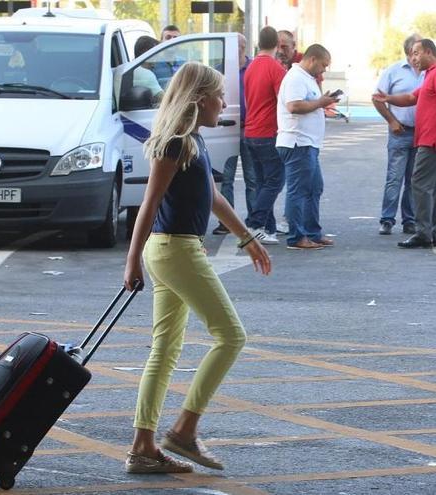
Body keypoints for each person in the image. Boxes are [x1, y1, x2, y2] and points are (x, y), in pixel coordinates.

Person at [122, 62, 271, 474]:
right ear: (199, 99)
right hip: (173, 249)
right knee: (231, 336)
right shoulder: (174, 143)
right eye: (220, 95)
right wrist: (131, 261)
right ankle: (184, 430)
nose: (224, 102)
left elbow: (212, 199)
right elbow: (148, 205)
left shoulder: (194, 141)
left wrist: (247, 238)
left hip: (176, 249)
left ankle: (143, 447)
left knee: (164, 350)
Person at [373, 38, 436, 249]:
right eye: (412, 54)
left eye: (416, 53)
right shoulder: (433, 74)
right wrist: (388, 98)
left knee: (419, 184)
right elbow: (412, 98)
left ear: (429, 52)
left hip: (433, 140)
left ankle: (424, 232)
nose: (413, 58)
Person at [276, 44, 339, 250]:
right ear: (312, 59)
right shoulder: (295, 78)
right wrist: (321, 102)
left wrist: (322, 101)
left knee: (314, 188)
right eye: (323, 65)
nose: (324, 70)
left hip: (307, 144)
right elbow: (293, 106)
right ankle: (296, 236)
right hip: (298, 143)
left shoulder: (307, 79)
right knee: (299, 190)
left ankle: (312, 231)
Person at [372, 34, 423, 235]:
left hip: (422, 133)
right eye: (418, 51)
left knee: (414, 179)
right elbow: (377, 98)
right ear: (410, 52)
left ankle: (409, 219)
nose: (420, 56)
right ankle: (387, 219)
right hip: (400, 131)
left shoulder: (428, 72)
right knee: (395, 177)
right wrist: (391, 120)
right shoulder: (393, 71)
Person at [243, 26, 287, 245]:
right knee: (275, 180)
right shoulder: (276, 69)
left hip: (250, 130)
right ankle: (254, 223)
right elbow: (285, 102)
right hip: (268, 131)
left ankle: (267, 229)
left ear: (258, 43)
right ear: (277, 45)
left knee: (262, 181)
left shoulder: (250, 67)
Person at [214, 33, 257, 235]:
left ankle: (254, 220)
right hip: (227, 128)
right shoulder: (221, 69)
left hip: (249, 129)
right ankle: (226, 221)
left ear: (245, 47)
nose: (237, 50)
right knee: (226, 177)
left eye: (240, 46)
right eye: (234, 46)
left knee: (252, 177)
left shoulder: (253, 68)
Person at [132, 36, 165, 102]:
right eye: (156, 52)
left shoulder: (130, 69)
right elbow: (165, 101)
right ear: (147, 52)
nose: (158, 56)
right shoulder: (146, 74)